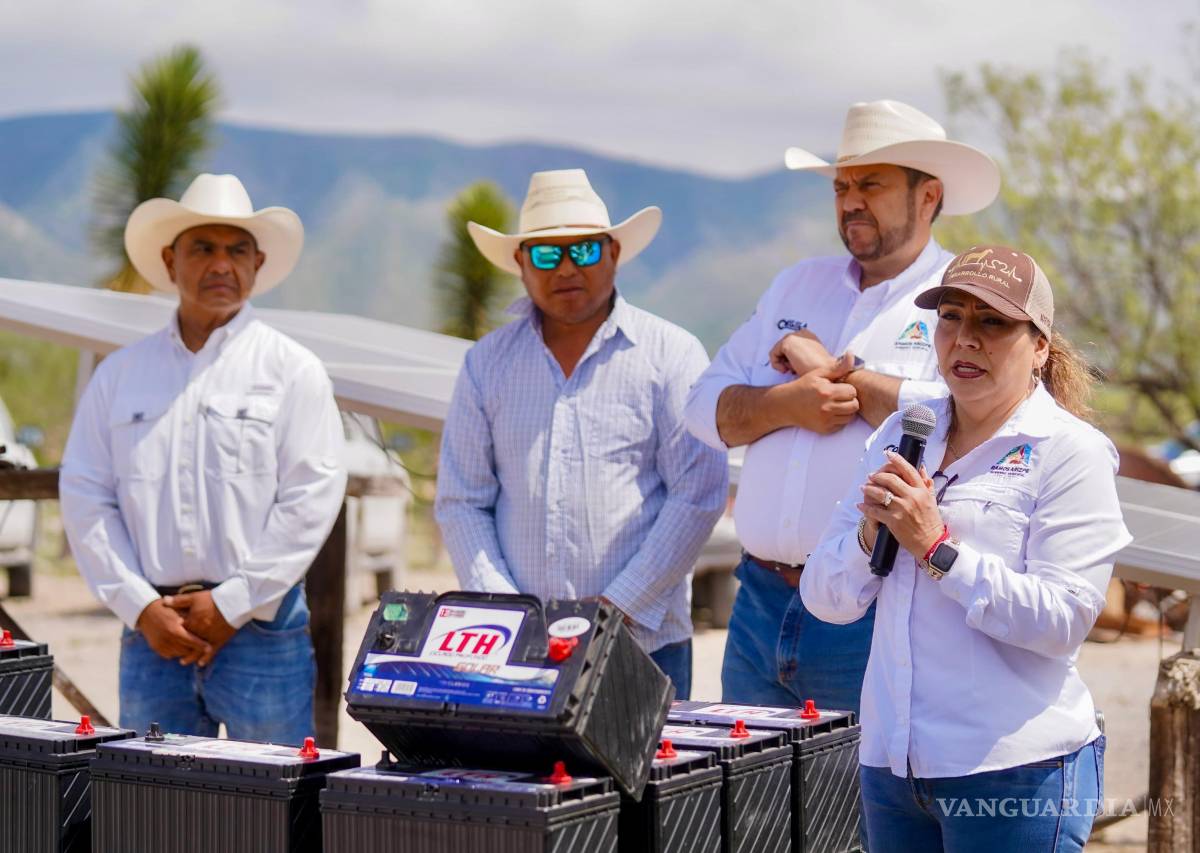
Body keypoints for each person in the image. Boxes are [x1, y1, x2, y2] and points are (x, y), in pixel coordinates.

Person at [800, 246, 1130, 850]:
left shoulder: (1069, 451)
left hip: (1014, 770)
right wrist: (872, 534)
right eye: (950, 317)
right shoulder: (903, 430)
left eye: (992, 322)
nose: (965, 339)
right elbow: (825, 598)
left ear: (1040, 347)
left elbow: (1065, 620)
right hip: (893, 764)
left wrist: (937, 548)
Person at [684, 100, 1000, 712]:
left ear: (928, 196)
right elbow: (701, 409)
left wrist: (833, 371)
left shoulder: (958, 301)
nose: (850, 201)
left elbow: (967, 418)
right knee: (751, 776)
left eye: (870, 185)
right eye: (841, 187)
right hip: (758, 600)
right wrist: (791, 403)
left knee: (855, 774)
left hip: (875, 604)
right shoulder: (795, 284)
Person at [60, 173, 347, 744]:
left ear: (257, 264)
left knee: (272, 791)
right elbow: (86, 495)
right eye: (203, 248)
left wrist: (232, 603)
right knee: (151, 794)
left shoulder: (293, 370)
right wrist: (141, 607)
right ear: (170, 261)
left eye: (237, 250)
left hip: (260, 628)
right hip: (153, 631)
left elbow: (311, 494)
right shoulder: (120, 374)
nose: (222, 264)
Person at [435, 168, 727, 698]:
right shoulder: (487, 364)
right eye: (548, 254)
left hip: (645, 647)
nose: (567, 268)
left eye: (584, 251)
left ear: (613, 252)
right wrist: (509, 616)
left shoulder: (671, 355)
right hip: (519, 654)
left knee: (651, 760)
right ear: (521, 263)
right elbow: (462, 502)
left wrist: (617, 608)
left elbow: (697, 493)